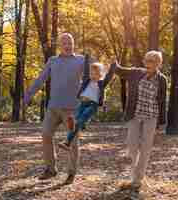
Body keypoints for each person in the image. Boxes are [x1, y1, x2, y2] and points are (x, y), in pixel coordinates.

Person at [24, 33, 86, 183]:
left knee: (72, 140)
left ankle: (71, 172)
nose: (67, 44)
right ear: (60, 44)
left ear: (73, 43)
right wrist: (28, 94)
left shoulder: (81, 60)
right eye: (64, 42)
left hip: (72, 109)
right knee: (45, 134)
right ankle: (51, 169)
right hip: (53, 107)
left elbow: (93, 77)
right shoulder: (53, 61)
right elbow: (41, 79)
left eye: (70, 41)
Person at [114, 50, 167, 192]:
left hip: (151, 116)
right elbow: (120, 71)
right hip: (135, 115)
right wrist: (114, 63)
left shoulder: (162, 80)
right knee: (131, 145)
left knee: (146, 148)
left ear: (158, 64)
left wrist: (162, 123)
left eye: (153, 61)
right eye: (147, 60)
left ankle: (137, 179)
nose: (148, 63)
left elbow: (162, 101)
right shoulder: (137, 73)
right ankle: (134, 173)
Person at [58, 59, 116, 150]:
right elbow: (85, 70)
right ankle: (67, 142)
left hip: (92, 105)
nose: (93, 76)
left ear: (100, 75)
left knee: (81, 119)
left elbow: (109, 76)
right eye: (91, 74)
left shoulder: (101, 83)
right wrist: (87, 57)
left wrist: (113, 65)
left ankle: (81, 123)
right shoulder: (87, 80)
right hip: (82, 103)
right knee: (76, 124)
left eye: (95, 74)